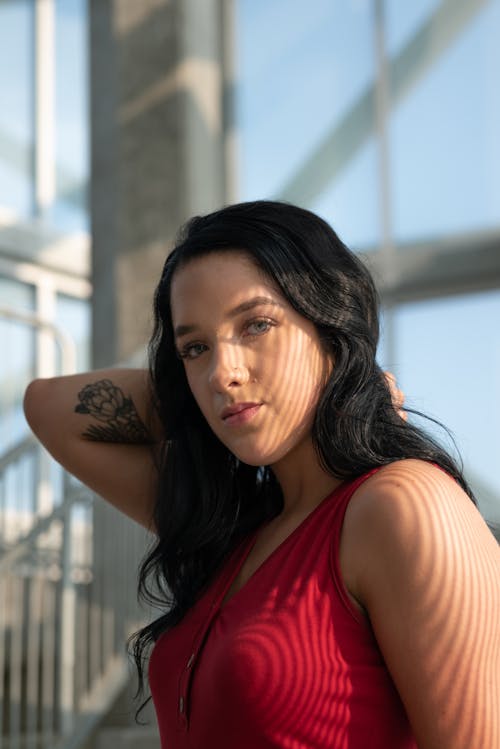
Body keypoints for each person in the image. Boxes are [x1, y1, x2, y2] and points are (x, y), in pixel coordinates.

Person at [24, 201, 499, 749]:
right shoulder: (232, 531)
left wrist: (353, 380)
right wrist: (190, 393)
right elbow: (50, 407)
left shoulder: (403, 506)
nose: (222, 374)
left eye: (257, 325)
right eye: (195, 348)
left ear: (330, 327)